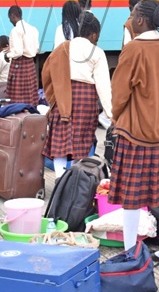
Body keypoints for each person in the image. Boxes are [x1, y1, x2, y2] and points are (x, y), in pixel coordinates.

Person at [108, 0, 159, 266]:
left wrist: (115, 116)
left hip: (136, 133)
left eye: (132, 16)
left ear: (140, 20)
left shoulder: (133, 49)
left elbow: (119, 94)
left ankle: (131, 253)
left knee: (131, 197)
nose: (129, 20)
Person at [42, 13, 112, 178]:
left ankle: (59, 178)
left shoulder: (62, 48)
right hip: (86, 99)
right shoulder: (97, 52)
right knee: (81, 141)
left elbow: (47, 73)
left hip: (63, 96)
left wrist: (53, 97)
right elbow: (103, 86)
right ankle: (73, 179)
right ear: (93, 34)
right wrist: (110, 113)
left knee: (60, 140)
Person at [6, 5, 40, 105]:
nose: (10, 21)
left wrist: (7, 55)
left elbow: (18, 52)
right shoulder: (33, 29)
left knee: (17, 95)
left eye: (9, 18)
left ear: (12, 16)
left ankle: (18, 111)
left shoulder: (16, 30)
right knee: (29, 91)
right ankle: (30, 110)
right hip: (30, 63)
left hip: (19, 64)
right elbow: (36, 48)